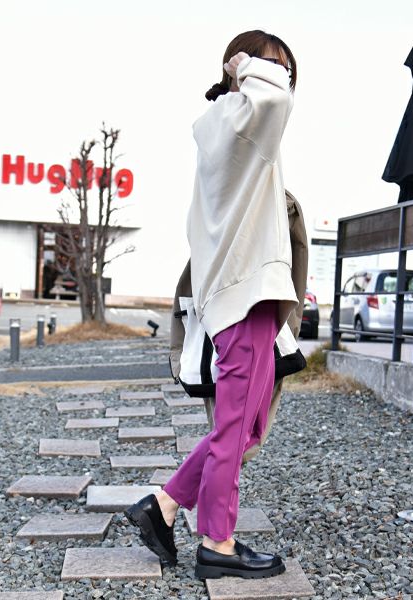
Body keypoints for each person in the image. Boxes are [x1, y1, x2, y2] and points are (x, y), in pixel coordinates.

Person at [125, 29, 300, 580]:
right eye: (277, 66)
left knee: (244, 426)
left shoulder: (232, 126)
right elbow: (275, 96)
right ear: (241, 70)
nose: (284, 77)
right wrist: (248, 66)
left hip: (247, 293)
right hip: (245, 295)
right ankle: (217, 544)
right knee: (235, 429)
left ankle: (164, 504)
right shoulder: (242, 120)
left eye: (288, 68)